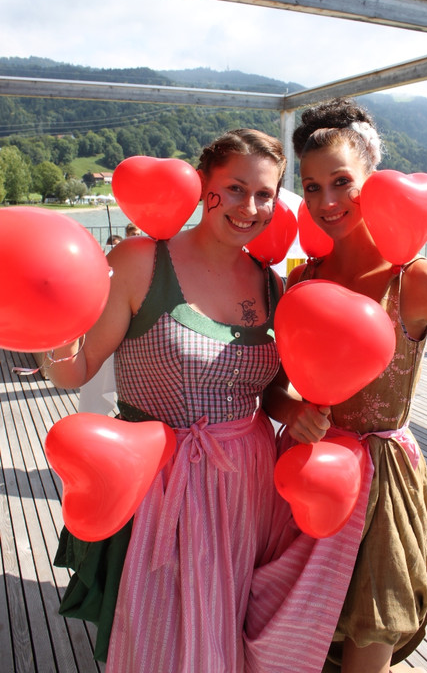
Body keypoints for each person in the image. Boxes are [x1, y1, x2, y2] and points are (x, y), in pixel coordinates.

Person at [46, 128, 348, 673]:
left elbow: (270, 391)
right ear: (201, 185)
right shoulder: (143, 261)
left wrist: (297, 413)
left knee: (228, 619)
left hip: (248, 483)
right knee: (161, 632)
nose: (250, 207)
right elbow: (77, 369)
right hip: (162, 482)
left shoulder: (270, 283)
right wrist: (45, 325)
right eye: (234, 188)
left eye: (264, 195)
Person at [264, 97, 427, 673]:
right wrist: (290, 410)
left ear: (373, 179)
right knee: (295, 632)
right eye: (313, 185)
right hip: (308, 471)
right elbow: (272, 388)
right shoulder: (303, 278)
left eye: (342, 182)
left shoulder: (418, 281)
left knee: (369, 634)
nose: (326, 202)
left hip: (382, 485)